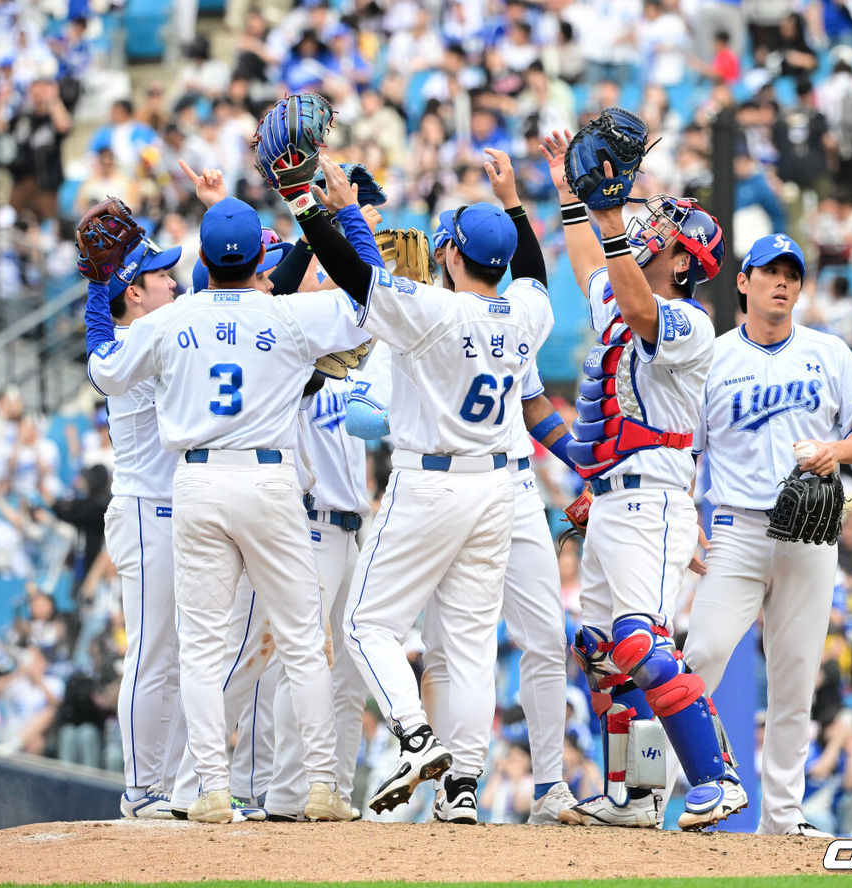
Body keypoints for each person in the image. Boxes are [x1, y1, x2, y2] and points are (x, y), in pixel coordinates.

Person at [83, 193, 371, 824]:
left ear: (205, 261)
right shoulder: (287, 314)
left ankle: (210, 789)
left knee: (201, 647)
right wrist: (346, 219)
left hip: (197, 484)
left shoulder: (171, 319)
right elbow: (368, 298)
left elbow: (104, 369)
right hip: (268, 482)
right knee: (303, 642)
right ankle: (322, 786)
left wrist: (98, 290)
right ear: (254, 263)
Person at [296, 154, 553, 819]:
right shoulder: (527, 313)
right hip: (496, 489)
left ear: (451, 253)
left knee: (363, 624)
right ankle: (462, 789)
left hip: (430, 485)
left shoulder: (435, 309)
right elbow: (534, 273)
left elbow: (355, 274)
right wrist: (514, 204)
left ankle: (414, 737)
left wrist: (315, 204)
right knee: (468, 650)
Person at [538, 127, 744, 831]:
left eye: (668, 229)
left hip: (653, 501)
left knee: (637, 639)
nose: (653, 227)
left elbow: (635, 307)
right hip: (612, 501)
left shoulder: (689, 321)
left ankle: (717, 778)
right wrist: (573, 200)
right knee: (600, 654)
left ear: (685, 261)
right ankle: (635, 796)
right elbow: (590, 271)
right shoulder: (626, 291)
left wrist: (609, 221)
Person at [683, 232, 852, 838]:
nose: (781, 282)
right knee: (700, 658)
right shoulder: (712, 357)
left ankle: (783, 818)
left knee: (796, 678)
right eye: (769, 271)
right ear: (742, 282)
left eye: (791, 274)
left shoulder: (829, 352)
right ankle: (661, 795)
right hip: (736, 530)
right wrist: (685, 519)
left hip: (809, 534)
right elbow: (685, 450)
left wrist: (835, 451)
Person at [83, 236, 184, 819]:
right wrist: (99, 289)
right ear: (136, 294)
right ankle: (142, 788)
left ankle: (167, 785)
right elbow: (103, 357)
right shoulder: (137, 341)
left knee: (177, 659)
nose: (173, 281)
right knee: (151, 654)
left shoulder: (146, 335)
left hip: (168, 510)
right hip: (147, 510)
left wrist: (100, 290)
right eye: (160, 275)